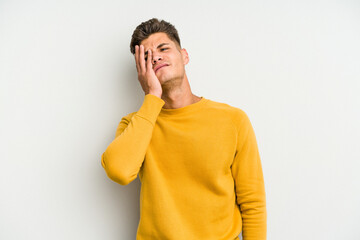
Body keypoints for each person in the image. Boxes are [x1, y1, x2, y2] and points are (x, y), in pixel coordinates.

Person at [101, 18, 267, 240]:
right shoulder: (136, 124)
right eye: (147, 58)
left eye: (163, 48)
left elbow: (253, 203)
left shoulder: (233, 120)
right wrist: (151, 98)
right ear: (142, 72)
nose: (156, 57)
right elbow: (119, 171)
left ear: (184, 56)